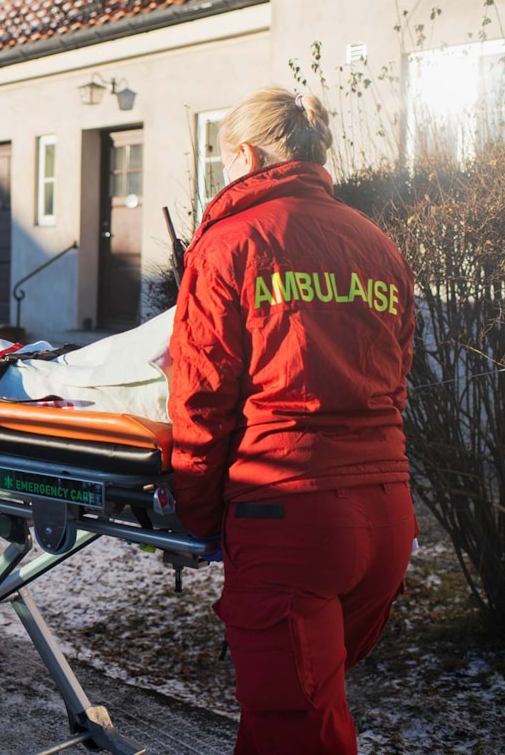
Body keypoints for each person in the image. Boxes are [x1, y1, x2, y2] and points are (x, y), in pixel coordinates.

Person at [167, 88, 417, 754]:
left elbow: (201, 396)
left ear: (245, 155)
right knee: (302, 709)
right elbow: (397, 376)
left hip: (289, 522)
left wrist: (195, 512)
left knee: (296, 729)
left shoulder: (228, 244)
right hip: (387, 516)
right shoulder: (378, 245)